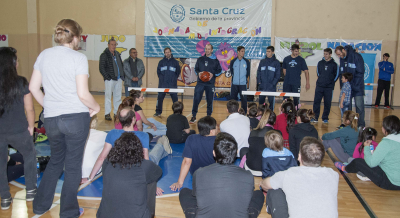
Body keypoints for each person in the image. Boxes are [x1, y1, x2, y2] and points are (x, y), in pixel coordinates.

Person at [30, 19, 101, 217]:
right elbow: (83, 94)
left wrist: (49, 106)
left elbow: (33, 88)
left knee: (55, 161)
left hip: (51, 119)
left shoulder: (44, 54)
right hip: (75, 118)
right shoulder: (78, 58)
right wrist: (96, 107)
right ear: (76, 38)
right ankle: (69, 212)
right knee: (72, 166)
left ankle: (39, 205)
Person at [179, 132, 264, 218]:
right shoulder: (248, 175)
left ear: (214, 153)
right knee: (258, 194)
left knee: (184, 192)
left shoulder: (199, 173)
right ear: (236, 152)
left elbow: (196, 195)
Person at [261, 137, 339, 218]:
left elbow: (264, 185)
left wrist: (263, 182)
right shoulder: (333, 175)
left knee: (274, 190)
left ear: (299, 157)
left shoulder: (288, 174)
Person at [0, 47, 37, 210]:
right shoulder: (21, 82)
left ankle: (5, 198)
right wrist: (31, 126)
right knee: (29, 155)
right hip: (19, 129)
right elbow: (29, 108)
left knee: (1, 165)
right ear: (13, 63)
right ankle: (30, 190)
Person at [96, 132, 162, 218]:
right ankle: (150, 214)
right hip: (137, 215)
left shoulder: (107, 163)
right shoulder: (144, 166)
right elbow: (158, 172)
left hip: (103, 215)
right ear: (138, 149)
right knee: (151, 180)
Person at [335, 115, 400, 190]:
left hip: (390, 182)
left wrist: (366, 148)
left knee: (358, 162)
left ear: (385, 129)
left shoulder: (386, 142)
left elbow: (371, 163)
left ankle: (345, 168)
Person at [170, 116, 217, 191]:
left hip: (195, 173)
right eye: (216, 127)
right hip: (213, 175)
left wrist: (179, 182)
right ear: (211, 131)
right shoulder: (218, 140)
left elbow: (187, 162)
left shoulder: (191, 138)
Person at [240, 109, 281, 176]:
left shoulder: (253, 132)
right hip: (269, 170)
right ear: (274, 122)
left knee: (244, 150)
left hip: (251, 168)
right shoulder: (278, 134)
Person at [190, 44, 222, 123]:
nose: (207, 50)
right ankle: (193, 116)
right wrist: (199, 73)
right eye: (206, 49)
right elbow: (196, 69)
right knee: (196, 99)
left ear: (211, 50)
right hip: (200, 83)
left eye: (209, 49)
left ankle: (208, 116)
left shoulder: (215, 61)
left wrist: (213, 74)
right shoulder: (200, 59)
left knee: (209, 100)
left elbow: (219, 71)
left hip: (210, 84)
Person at [335, 45, 365, 127]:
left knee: (359, 107)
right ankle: (348, 124)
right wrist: (343, 86)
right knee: (347, 106)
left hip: (357, 87)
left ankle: (361, 125)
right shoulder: (342, 59)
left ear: (343, 50)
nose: (339, 56)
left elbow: (360, 72)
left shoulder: (356, 57)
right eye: (337, 55)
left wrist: (354, 85)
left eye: (339, 54)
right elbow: (342, 74)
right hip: (347, 88)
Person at [99, 37, 124, 121]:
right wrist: (107, 77)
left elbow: (121, 65)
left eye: (115, 44)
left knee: (118, 97)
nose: (113, 46)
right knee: (108, 97)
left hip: (118, 79)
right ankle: (107, 113)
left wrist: (122, 75)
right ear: (108, 45)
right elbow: (101, 68)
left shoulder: (117, 54)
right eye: (112, 44)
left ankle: (116, 113)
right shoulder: (104, 55)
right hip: (110, 80)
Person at [312, 48, 339, 123]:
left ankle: (325, 117)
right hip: (319, 86)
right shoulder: (320, 63)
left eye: (326, 54)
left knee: (327, 103)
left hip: (329, 87)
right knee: (316, 102)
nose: (325, 55)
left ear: (330, 54)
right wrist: (322, 80)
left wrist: (330, 82)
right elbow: (318, 73)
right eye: (324, 54)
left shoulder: (334, 64)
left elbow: (336, 75)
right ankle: (315, 117)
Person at [154, 47, 181, 117]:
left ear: (171, 52)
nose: (167, 53)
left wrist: (173, 78)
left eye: (168, 52)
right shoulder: (161, 62)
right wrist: (162, 79)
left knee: (175, 100)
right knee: (159, 98)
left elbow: (178, 72)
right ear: (164, 53)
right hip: (162, 84)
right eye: (166, 52)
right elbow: (158, 72)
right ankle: (158, 112)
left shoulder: (175, 62)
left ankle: (177, 112)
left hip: (172, 85)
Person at [282, 44, 310, 109]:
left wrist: (307, 82)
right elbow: (284, 70)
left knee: (296, 99)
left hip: (296, 83)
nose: (297, 53)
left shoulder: (301, 60)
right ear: (291, 51)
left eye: (297, 51)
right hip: (287, 83)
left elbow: (306, 71)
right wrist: (288, 77)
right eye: (295, 51)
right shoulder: (286, 59)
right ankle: (286, 113)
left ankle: (296, 114)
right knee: (286, 99)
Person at [257, 46, 281, 111]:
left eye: (269, 51)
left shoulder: (276, 62)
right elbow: (258, 72)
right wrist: (259, 82)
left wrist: (273, 84)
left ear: (273, 52)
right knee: (261, 104)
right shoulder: (262, 61)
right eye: (267, 51)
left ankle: (270, 117)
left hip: (271, 87)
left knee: (271, 104)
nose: (267, 53)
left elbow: (278, 75)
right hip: (262, 87)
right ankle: (261, 116)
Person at [229, 46, 251, 113]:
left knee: (244, 100)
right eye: (241, 51)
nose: (243, 53)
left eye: (244, 51)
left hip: (243, 84)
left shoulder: (247, 62)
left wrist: (244, 79)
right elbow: (232, 72)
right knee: (233, 101)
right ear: (238, 52)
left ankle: (243, 114)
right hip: (234, 84)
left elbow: (248, 73)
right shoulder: (233, 61)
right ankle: (233, 113)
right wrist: (235, 79)